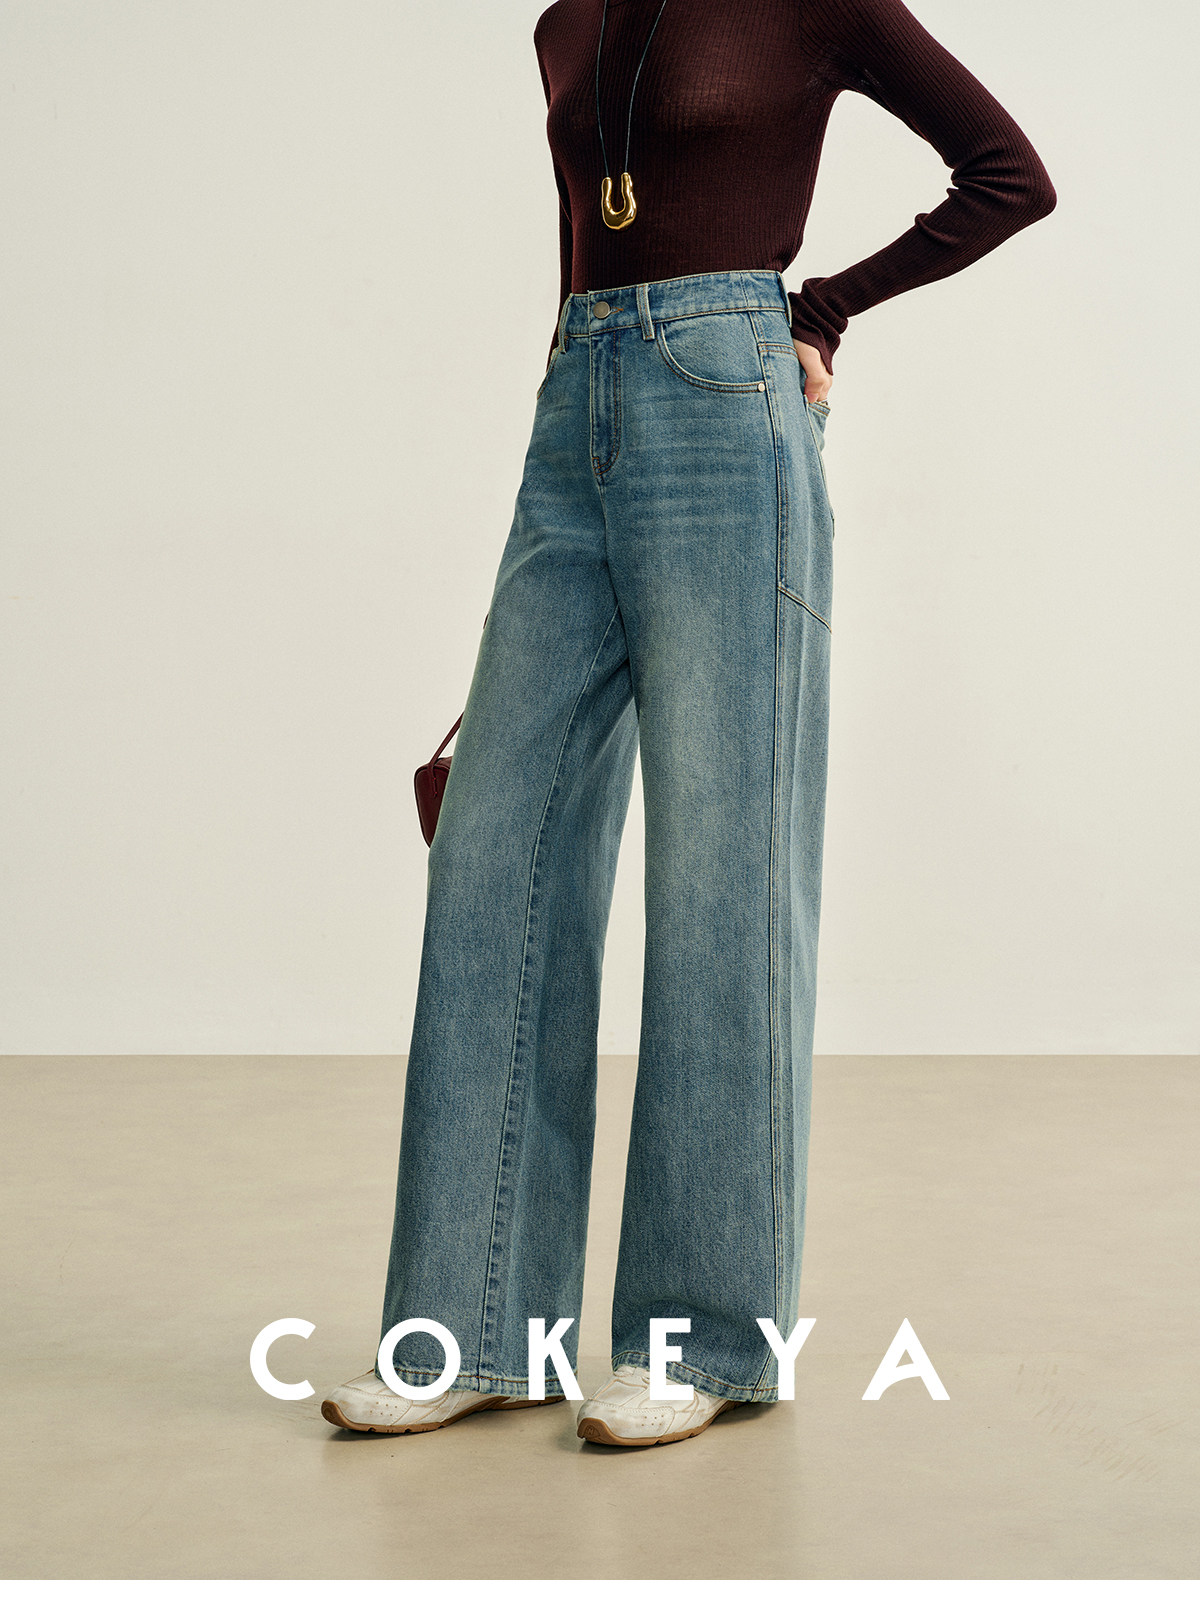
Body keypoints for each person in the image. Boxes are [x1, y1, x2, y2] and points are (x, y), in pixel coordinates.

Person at [322, 0, 1055, 1448]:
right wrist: (574, 387)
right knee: (493, 854)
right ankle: (473, 1328)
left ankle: (704, 1341)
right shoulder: (565, 21)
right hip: (575, 403)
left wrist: (818, 309)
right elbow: (584, 235)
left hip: (729, 401)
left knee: (723, 874)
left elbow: (1008, 175)